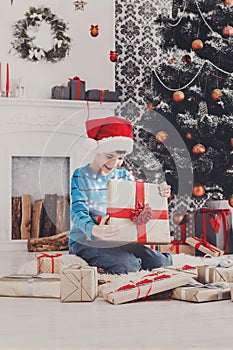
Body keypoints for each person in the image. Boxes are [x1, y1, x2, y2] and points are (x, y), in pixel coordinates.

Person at [69, 116, 173, 274]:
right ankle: (123, 263)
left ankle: (129, 259)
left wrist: (160, 192)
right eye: (109, 156)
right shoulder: (80, 175)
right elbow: (77, 211)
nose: (114, 163)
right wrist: (94, 229)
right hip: (85, 240)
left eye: (120, 158)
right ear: (96, 150)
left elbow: (138, 202)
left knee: (161, 262)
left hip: (120, 238)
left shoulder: (123, 175)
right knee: (128, 265)